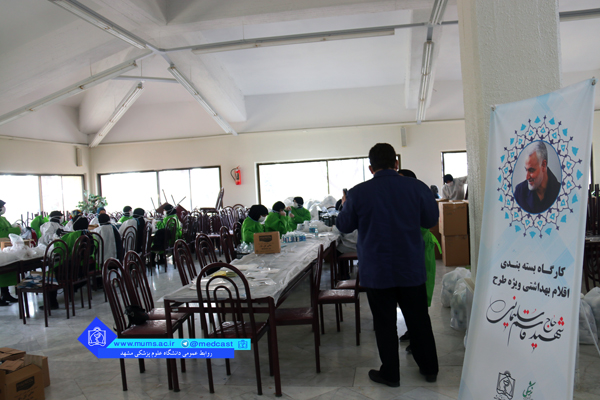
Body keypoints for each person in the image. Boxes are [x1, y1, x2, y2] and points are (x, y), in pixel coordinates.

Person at [336, 143, 439, 386]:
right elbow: (431, 220)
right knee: (419, 319)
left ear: (371, 168)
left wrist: (345, 203)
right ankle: (429, 369)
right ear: (396, 163)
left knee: (384, 323)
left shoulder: (358, 193)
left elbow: (344, 226)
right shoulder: (417, 187)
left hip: (377, 270)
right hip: (410, 267)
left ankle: (390, 374)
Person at [397, 169, 442, 352]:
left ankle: (418, 340)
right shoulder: (402, 198)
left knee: (420, 298)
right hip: (409, 250)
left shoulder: (416, 197)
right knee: (408, 298)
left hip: (422, 249)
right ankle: (412, 331)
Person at [513, 141, 561, 214]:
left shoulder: (560, 191)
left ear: (543, 165)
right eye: (526, 170)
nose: (527, 177)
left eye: (531, 170)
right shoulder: (519, 193)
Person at [0, 200, 21, 306]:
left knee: (6, 271)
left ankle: (5, 294)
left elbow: (8, 230)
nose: (3, 208)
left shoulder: (3, 219)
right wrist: (16, 230)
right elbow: (3, 233)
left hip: (4, 248)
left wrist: (14, 228)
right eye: (2, 206)